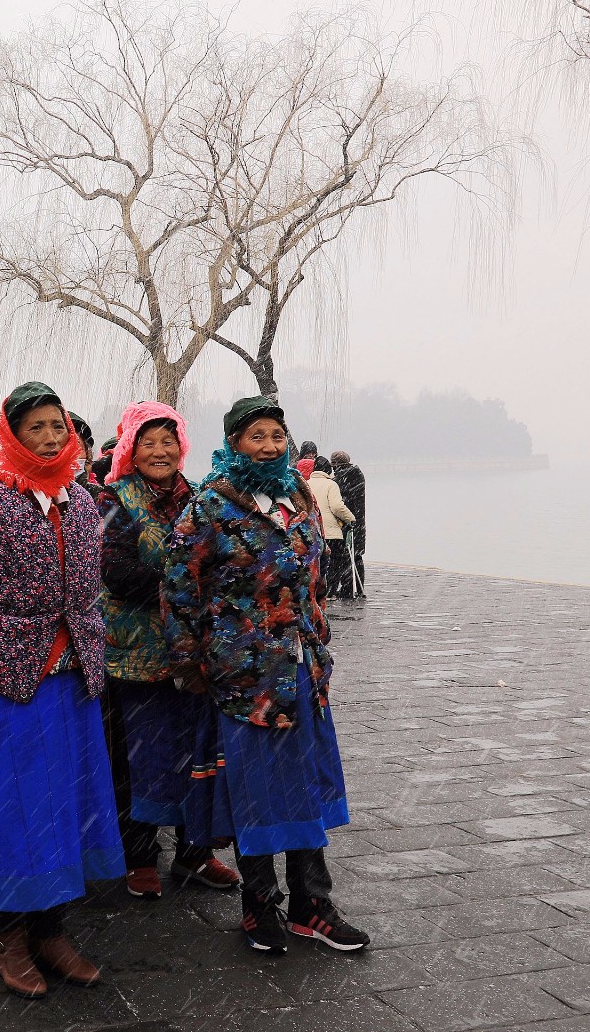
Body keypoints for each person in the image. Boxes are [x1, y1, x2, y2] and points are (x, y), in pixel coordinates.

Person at [0, 381, 124, 999]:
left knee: (63, 803)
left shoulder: (83, 501)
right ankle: (8, 935)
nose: (49, 438)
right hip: (6, 686)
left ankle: (51, 929)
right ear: (11, 435)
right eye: (34, 427)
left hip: (72, 682)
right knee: (9, 805)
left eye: (57, 426)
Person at [163, 396, 367, 955]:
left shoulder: (298, 495)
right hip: (244, 677)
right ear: (234, 443)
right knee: (255, 791)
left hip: (301, 669)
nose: (270, 446)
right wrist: (191, 660)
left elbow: (314, 575)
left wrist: (317, 628)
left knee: (304, 787)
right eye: (257, 436)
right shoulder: (210, 505)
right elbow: (179, 586)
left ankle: (310, 904)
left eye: (277, 436)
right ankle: (259, 904)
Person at [99, 402, 239, 900]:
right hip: (135, 653)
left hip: (195, 652)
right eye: (148, 442)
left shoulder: (200, 497)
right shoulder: (112, 498)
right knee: (138, 756)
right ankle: (138, 855)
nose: (160, 451)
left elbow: (223, 563)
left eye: (169, 440)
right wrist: (183, 580)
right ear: (129, 448)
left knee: (195, 751)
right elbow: (117, 573)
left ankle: (194, 852)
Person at [306, 456, 357, 606]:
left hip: (312, 531)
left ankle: (315, 591)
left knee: (315, 564)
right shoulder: (331, 484)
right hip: (331, 532)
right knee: (334, 564)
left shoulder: (306, 484)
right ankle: (330, 592)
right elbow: (337, 506)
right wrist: (351, 518)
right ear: (328, 470)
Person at [329, 451, 367, 598]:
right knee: (355, 556)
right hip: (358, 522)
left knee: (345, 557)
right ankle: (356, 587)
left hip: (347, 522)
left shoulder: (340, 480)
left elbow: (339, 505)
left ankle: (348, 589)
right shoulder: (357, 475)